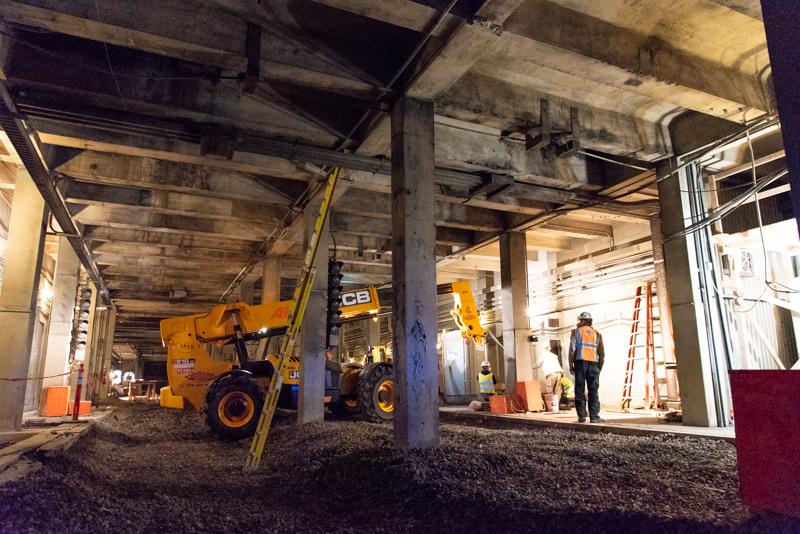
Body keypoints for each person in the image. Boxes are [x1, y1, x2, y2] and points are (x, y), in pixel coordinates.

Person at [568, 311, 605, 423]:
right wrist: (600, 367)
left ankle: (582, 416)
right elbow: (602, 353)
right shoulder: (597, 334)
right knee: (593, 390)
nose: (578, 323)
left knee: (579, 390)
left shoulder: (576, 332)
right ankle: (594, 417)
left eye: (579, 320)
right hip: (593, 364)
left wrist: (570, 364)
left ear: (583, 321)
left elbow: (572, 350)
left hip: (580, 364)